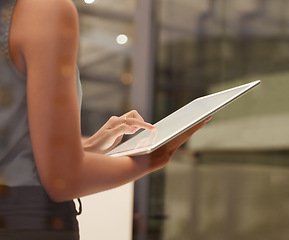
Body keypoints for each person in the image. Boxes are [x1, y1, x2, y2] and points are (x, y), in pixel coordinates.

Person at [0, 0, 209, 239]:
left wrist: (91, 145)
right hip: (27, 227)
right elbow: (63, 181)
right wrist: (152, 158)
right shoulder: (45, 9)